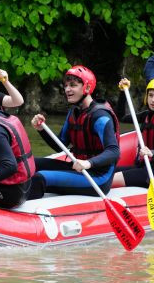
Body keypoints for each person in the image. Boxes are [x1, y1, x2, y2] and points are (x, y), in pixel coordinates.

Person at [29, 65, 120, 198]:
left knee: (41, 177)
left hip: (98, 177)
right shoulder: (74, 111)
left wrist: (88, 163)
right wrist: (42, 130)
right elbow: (60, 145)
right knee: (30, 163)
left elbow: (114, 151)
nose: (67, 89)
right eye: (66, 86)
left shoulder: (100, 116)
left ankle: (16, 206)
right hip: (77, 168)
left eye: (73, 85)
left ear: (87, 88)